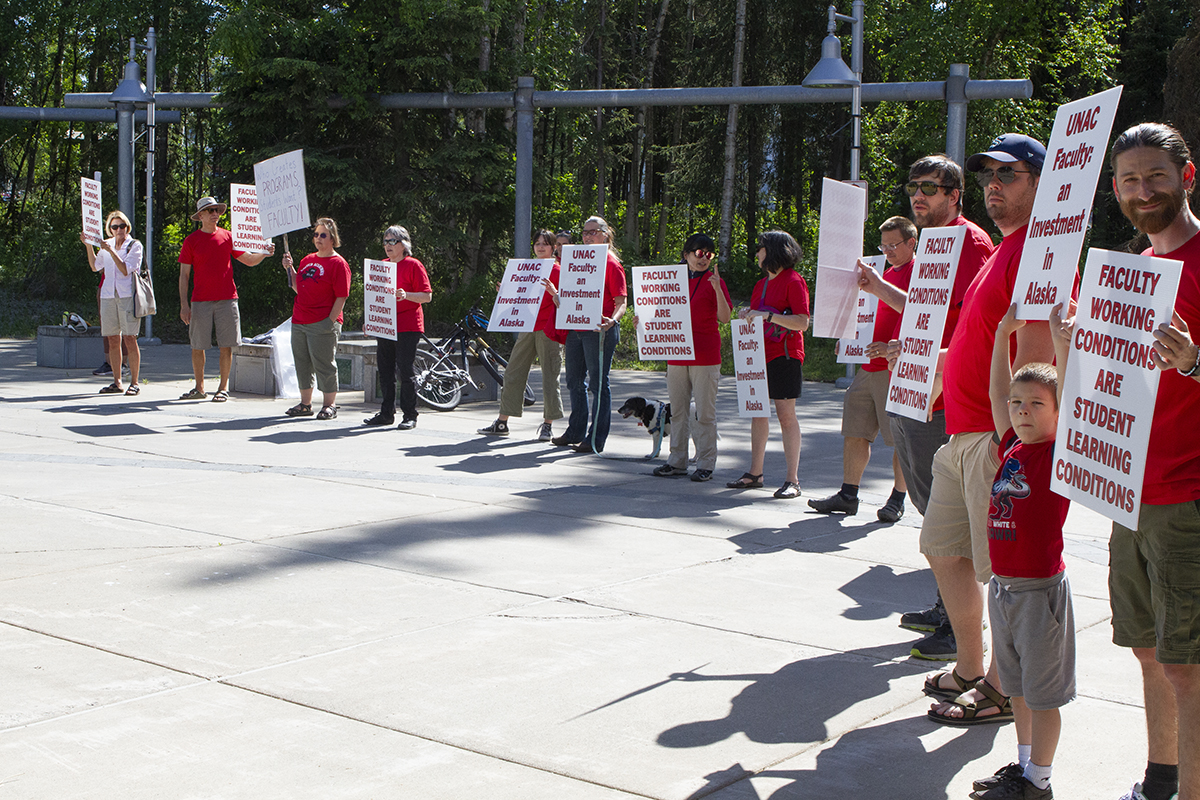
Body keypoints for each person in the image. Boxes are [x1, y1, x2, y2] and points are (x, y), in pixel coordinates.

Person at [922, 134, 1059, 724]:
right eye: (986, 178)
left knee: (998, 571)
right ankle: (972, 666)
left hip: (994, 440)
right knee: (943, 552)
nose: (994, 186)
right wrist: (936, 366)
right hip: (961, 432)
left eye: (1010, 174)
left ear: (1040, 183)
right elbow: (982, 340)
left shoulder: (1040, 255)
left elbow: (1038, 358)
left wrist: (1016, 445)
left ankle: (1002, 689)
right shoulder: (1006, 250)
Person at [858, 154, 997, 657]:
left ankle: (961, 633)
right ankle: (947, 607)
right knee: (928, 504)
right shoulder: (935, 246)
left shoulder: (969, 242)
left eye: (931, 188)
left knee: (947, 514)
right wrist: (880, 290)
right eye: (914, 186)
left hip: (946, 393)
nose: (920, 195)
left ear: (955, 194)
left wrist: (940, 360)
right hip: (916, 385)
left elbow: (981, 316)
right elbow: (926, 311)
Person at [1106, 122, 1200, 800]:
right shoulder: (1131, 269)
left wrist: (1195, 363)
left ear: (1186, 177)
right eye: (1131, 180)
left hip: (1187, 498)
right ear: (1115, 189)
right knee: (1147, 650)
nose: (1144, 191)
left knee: (1189, 666)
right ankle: (1161, 779)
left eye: (1156, 177)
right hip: (1125, 491)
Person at [965, 303, 1073, 800]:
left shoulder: (1058, 452)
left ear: (1056, 412)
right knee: (1020, 690)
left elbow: (1074, 402)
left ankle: (1040, 781)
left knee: (1043, 694)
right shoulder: (1012, 445)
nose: (1023, 411)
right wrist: (1003, 335)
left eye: (1036, 404)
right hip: (1004, 590)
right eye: (1019, 404)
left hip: (1038, 591)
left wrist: (1060, 339)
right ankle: (1026, 767)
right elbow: (995, 391)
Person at [807, 216, 916, 521]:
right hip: (868, 365)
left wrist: (893, 347)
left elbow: (919, 314)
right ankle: (848, 494)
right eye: (883, 245)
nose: (887, 251)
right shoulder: (882, 271)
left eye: (893, 244)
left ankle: (897, 498)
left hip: (896, 367)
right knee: (855, 431)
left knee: (899, 438)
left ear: (912, 243)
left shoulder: (919, 273)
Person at [725, 230, 810, 498]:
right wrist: (747, 315)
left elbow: (802, 322)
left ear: (773, 251)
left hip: (785, 356)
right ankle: (755, 473)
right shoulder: (759, 286)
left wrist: (769, 317)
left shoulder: (794, 281)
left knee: (786, 416)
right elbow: (757, 318)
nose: (757, 254)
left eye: (760, 248)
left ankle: (792, 480)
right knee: (758, 413)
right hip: (757, 358)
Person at [649, 232, 732, 482]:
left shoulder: (714, 281)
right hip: (677, 352)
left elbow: (725, 317)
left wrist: (717, 288)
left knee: (705, 412)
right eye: (698, 252)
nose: (704, 258)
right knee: (678, 412)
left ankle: (706, 462)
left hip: (705, 355)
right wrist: (642, 321)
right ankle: (677, 461)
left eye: (709, 253)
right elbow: (659, 312)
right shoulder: (672, 281)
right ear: (686, 255)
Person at [177, 195, 274, 402]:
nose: (215, 214)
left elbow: (248, 260)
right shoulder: (191, 241)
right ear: (200, 216)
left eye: (217, 211)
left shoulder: (229, 237)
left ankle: (222, 388)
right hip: (200, 300)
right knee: (197, 345)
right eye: (210, 211)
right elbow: (184, 275)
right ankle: (199, 388)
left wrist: (264, 253)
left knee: (226, 345)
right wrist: (184, 305)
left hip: (227, 299)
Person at [478, 230, 565, 440]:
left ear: (554, 247)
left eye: (545, 243)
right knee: (512, 373)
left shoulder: (559, 271)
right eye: (537, 243)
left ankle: (548, 424)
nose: (540, 247)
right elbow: (520, 297)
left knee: (550, 377)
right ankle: (502, 422)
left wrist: (555, 293)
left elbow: (567, 302)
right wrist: (506, 292)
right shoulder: (527, 269)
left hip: (549, 328)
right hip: (528, 326)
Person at [552, 215, 627, 454]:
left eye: (593, 232)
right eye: (584, 232)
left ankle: (595, 438)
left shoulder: (611, 263)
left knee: (598, 383)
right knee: (574, 381)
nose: (587, 236)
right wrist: (556, 295)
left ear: (606, 234)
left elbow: (622, 302)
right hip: (576, 327)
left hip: (599, 329)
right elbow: (567, 296)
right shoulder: (575, 262)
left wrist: (612, 321)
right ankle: (575, 430)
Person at [281, 218, 351, 420]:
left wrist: (330, 321)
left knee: (324, 364)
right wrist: (290, 268)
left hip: (322, 321)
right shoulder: (307, 260)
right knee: (302, 362)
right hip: (300, 319)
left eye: (323, 235)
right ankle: (305, 404)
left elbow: (342, 295)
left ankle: (330, 405)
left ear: (332, 239)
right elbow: (297, 287)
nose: (318, 239)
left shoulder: (338, 263)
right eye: (316, 234)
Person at [363, 225, 431, 430]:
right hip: (385, 325)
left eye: (392, 241)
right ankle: (386, 413)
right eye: (385, 241)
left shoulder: (413, 265)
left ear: (404, 244)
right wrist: (370, 320)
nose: (387, 246)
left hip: (408, 325)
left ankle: (410, 414)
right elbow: (374, 297)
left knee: (404, 369)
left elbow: (427, 296)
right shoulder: (381, 266)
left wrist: (406, 295)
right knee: (384, 369)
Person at [81, 210, 143, 396]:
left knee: (130, 338)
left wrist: (111, 251)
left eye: (122, 226)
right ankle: (117, 382)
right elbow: (95, 267)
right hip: (108, 295)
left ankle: (135, 382)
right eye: (114, 227)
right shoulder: (106, 244)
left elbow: (125, 270)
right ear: (110, 229)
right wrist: (89, 246)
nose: (119, 230)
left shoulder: (134, 245)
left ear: (127, 227)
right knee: (112, 338)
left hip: (126, 296)